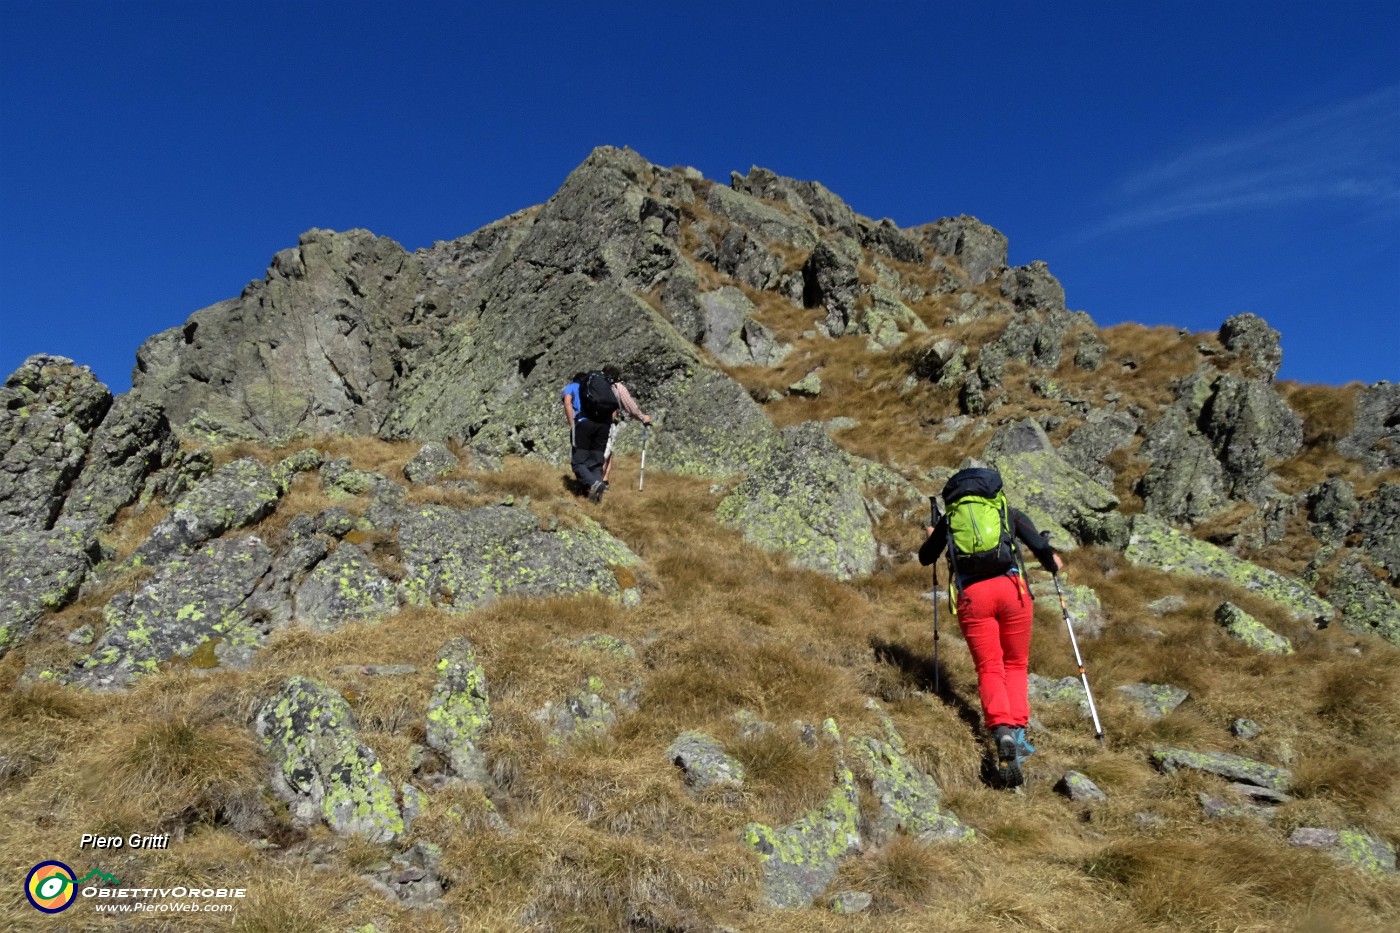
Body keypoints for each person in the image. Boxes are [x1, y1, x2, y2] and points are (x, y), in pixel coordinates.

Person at [918, 467, 1062, 788]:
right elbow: (1041, 547)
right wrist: (1052, 562)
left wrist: (933, 537)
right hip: (1012, 590)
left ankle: (1001, 731)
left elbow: (926, 558)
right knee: (1015, 663)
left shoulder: (951, 519)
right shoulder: (1007, 512)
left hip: (973, 596)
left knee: (989, 666)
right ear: (993, 490)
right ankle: (1018, 736)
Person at [562, 371, 611, 502]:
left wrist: (572, 424)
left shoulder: (571, 386)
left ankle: (593, 484)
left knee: (578, 462)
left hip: (584, 424)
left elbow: (568, 403)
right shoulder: (599, 390)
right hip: (603, 426)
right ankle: (595, 498)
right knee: (595, 463)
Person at [600, 364, 651, 485]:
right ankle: (599, 482)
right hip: (607, 423)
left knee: (597, 451)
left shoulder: (593, 386)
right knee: (605, 452)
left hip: (588, 422)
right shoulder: (617, 387)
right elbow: (631, 408)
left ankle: (599, 480)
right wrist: (643, 417)